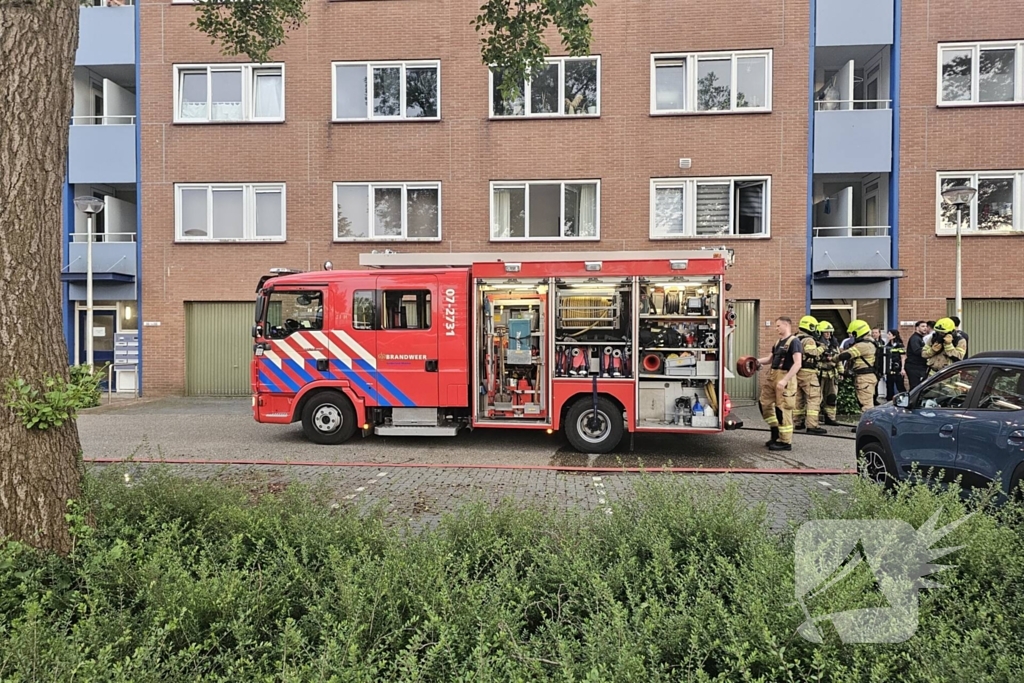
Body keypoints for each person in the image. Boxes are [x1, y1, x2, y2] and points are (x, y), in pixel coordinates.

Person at [755, 317, 803, 452]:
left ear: (786, 325)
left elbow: (798, 363)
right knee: (764, 403)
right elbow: (770, 359)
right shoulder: (778, 342)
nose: (776, 328)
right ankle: (775, 432)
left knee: (783, 409)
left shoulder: (794, 342)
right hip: (772, 377)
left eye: (778, 326)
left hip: (785, 378)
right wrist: (755, 361)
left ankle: (785, 441)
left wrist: (785, 380)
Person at [835, 319, 879, 432]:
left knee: (866, 404)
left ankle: (867, 427)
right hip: (867, 377)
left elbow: (846, 355)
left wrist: (833, 358)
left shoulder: (863, 345)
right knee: (865, 402)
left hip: (865, 378)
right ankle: (867, 424)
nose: (851, 336)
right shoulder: (870, 343)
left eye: (852, 334)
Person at [793, 315, 826, 435]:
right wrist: (822, 348)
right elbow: (812, 352)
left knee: (799, 398)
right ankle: (812, 425)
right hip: (808, 372)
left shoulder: (795, 338)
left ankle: (797, 422)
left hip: (796, 372)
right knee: (814, 397)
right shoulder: (809, 340)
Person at [815, 321, 842, 425]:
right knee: (817, 398)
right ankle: (814, 419)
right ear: (820, 333)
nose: (828, 335)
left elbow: (838, 359)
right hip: (820, 374)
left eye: (830, 332)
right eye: (826, 332)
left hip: (832, 374)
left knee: (832, 397)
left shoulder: (834, 345)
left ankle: (830, 418)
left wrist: (841, 372)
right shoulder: (817, 345)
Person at [905, 321, 930, 390]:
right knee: (915, 388)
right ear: (917, 328)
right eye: (922, 326)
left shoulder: (921, 338)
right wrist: (929, 351)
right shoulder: (915, 338)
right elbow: (917, 351)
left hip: (920, 366)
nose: (925, 328)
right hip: (914, 366)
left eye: (926, 326)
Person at [883, 329, 907, 400]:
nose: (888, 336)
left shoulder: (899, 345)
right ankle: (889, 399)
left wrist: (903, 368)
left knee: (900, 385)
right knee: (889, 385)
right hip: (890, 368)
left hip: (897, 368)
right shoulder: (888, 345)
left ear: (894, 336)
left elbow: (903, 357)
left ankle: (904, 399)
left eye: (889, 334)